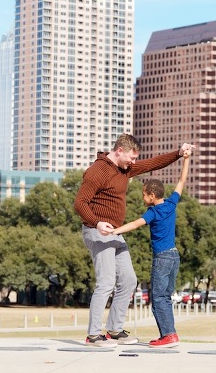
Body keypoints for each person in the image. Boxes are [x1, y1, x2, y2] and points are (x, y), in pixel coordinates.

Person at [74, 133, 194, 347]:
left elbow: (152, 164)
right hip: (97, 231)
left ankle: (114, 329)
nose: (134, 162)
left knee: (129, 280)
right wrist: (97, 222)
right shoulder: (97, 171)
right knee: (106, 282)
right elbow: (80, 203)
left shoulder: (124, 169)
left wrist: (178, 153)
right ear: (119, 150)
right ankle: (93, 335)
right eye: (131, 157)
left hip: (115, 233)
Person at [111, 147, 192, 348]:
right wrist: (186, 159)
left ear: (152, 195)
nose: (142, 198)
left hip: (162, 258)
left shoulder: (153, 212)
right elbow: (182, 182)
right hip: (174, 257)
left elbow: (137, 223)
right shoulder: (171, 203)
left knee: (157, 298)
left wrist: (115, 231)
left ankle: (168, 335)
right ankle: (170, 334)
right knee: (165, 296)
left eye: (144, 195)